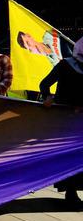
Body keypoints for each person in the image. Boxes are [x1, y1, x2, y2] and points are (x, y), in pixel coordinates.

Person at [40, 37, 83, 204]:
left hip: (80, 120)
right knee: (69, 157)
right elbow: (44, 84)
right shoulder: (65, 64)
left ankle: (74, 191)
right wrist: (48, 97)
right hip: (64, 119)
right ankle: (71, 193)